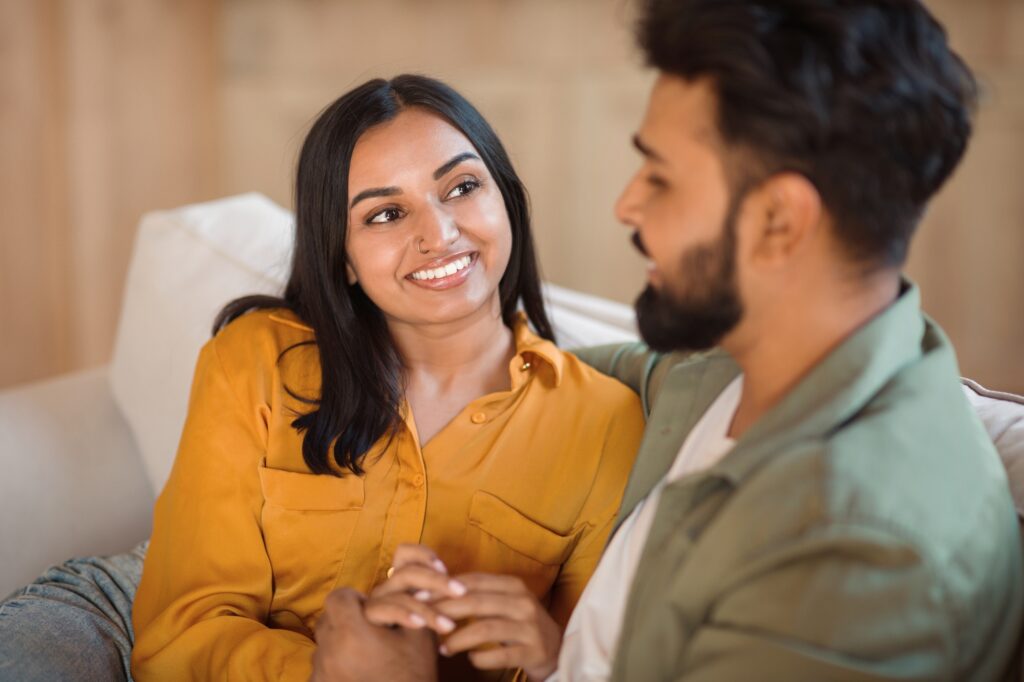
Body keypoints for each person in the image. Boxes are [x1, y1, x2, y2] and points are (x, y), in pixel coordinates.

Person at [326, 1, 1024, 680]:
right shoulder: (735, 373)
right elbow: (517, 370)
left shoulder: (851, 555)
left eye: (660, 176)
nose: (627, 204)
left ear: (780, 220)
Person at [0, 75, 645, 682]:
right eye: (385, 215)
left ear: (505, 198)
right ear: (343, 260)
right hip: (122, 615)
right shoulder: (255, 359)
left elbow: (587, 657)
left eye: (461, 187)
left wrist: (553, 658)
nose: (440, 233)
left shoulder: (604, 421)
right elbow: (180, 634)